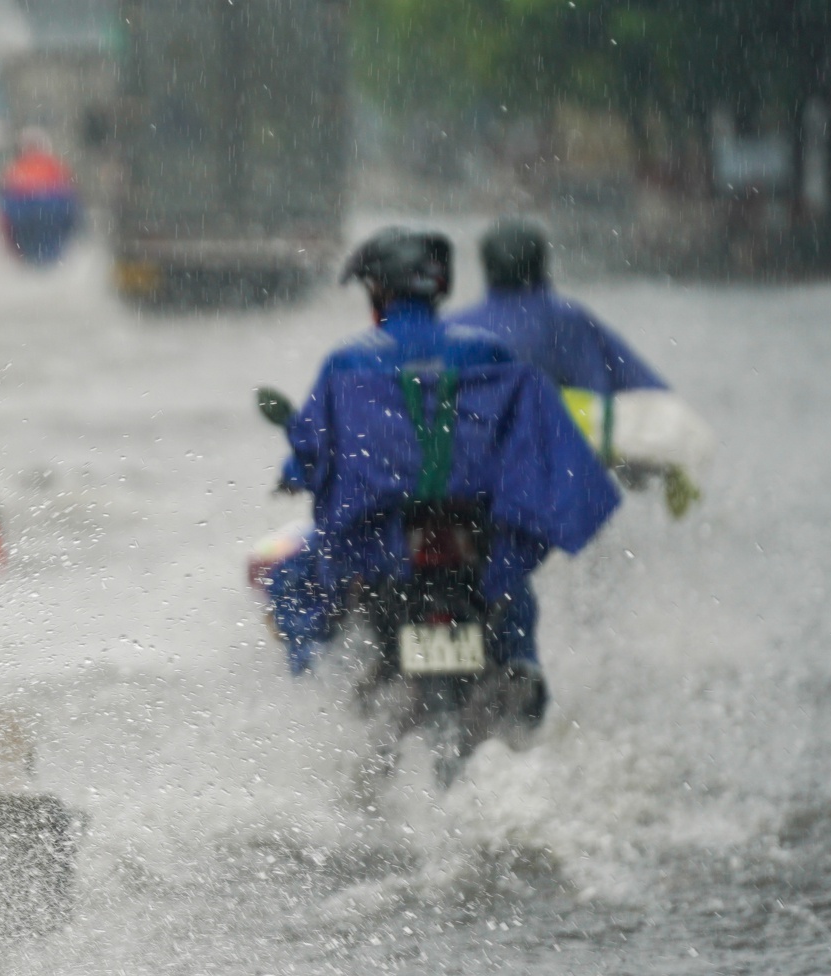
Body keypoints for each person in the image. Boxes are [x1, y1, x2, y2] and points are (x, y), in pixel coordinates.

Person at [266, 228, 621, 706]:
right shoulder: (486, 351)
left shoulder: (348, 360)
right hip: (472, 529)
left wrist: (293, 473)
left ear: (380, 292)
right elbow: (523, 435)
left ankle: (311, 704)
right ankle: (520, 664)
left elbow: (313, 443)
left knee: (289, 583)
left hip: (383, 537)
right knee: (509, 584)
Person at [449, 220, 666, 403]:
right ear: (541, 261)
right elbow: (648, 390)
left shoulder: (455, 328)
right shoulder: (569, 320)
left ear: (486, 265)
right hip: (561, 447)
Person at [0, 127, 79, 266]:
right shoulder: (54, 166)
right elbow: (70, 201)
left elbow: (5, 204)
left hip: (30, 214)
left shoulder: (16, 168)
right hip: (47, 213)